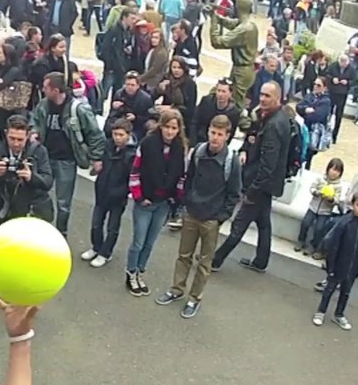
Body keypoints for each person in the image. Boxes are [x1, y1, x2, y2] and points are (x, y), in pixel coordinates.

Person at [155, 115, 241, 318]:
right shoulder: (199, 152)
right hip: (192, 212)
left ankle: (194, 298)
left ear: (227, 136)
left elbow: (234, 193)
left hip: (211, 219)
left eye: (220, 134)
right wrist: (187, 201)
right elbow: (189, 178)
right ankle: (176, 289)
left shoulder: (232, 162)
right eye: (213, 132)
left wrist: (220, 217)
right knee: (183, 255)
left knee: (204, 262)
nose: (215, 138)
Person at [211, 82, 291, 274]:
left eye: (267, 96)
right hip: (267, 184)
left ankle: (215, 260)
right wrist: (246, 149)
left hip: (260, 185)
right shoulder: (274, 117)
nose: (262, 99)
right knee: (263, 223)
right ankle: (261, 261)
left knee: (239, 224)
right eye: (261, 94)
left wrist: (253, 190)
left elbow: (268, 164)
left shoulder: (273, 124)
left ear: (277, 98)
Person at [0, 114, 52, 317]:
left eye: (20, 139)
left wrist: (31, 177)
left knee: (26, 260)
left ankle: (22, 299)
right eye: (12, 138)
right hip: (0, 212)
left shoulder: (39, 152)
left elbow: (48, 182)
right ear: (5, 134)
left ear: (28, 136)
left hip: (26, 214)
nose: (16, 143)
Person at [31, 72, 104, 235]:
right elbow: (34, 120)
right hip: (45, 159)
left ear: (56, 90)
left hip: (66, 161)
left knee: (63, 202)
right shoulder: (44, 105)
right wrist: (34, 132)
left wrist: (97, 157)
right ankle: (40, 229)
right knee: (40, 195)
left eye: (46, 87)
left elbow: (94, 134)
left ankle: (61, 232)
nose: (43, 90)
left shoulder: (78, 109)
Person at [123, 111, 187, 296]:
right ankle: (131, 272)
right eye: (167, 127)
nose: (170, 131)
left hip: (164, 203)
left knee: (150, 243)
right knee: (138, 242)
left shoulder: (180, 148)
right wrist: (139, 197)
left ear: (178, 130)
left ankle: (140, 272)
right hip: (145, 201)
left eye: (174, 128)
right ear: (161, 126)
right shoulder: (148, 144)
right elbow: (135, 172)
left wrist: (177, 199)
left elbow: (181, 176)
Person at [314, 190, 358, 330]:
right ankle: (321, 311)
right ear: (353, 205)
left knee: (346, 292)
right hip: (339, 264)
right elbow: (334, 245)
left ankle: (339, 314)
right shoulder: (345, 222)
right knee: (329, 289)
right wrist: (330, 265)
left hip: (354, 266)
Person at [82, 121, 137, 269]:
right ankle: (96, 247)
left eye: (121, 135)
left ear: (128, 135)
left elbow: (131, 178)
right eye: (115, 134)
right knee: (96, 223)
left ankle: (105, 253)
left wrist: (122, 192)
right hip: (102, 191)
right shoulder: (108, 145)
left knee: (112, 227)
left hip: (118, 197)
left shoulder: (131, 154)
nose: (117, 138)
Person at [297, 159, 344, 258]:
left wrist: (331, 199)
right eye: (333, 169)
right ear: (328, 169)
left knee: (319, 229)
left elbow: (337, 199)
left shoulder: (338, 186)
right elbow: (312, 188)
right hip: (313, 207)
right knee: (305, 223)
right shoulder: (320, 179)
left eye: (337, 171)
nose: (334, 173)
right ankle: (301, 240)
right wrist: (316, 192)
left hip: (325, 212)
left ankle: (313, 245)